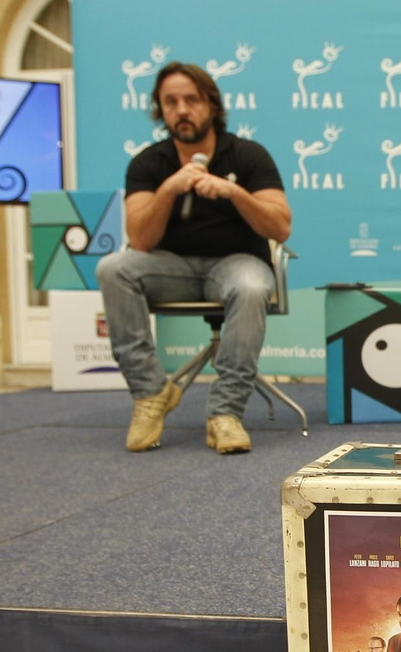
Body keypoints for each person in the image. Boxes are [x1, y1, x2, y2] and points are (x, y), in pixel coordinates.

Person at [96, 61, 292, 455]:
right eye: (171, 102)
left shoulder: (248, 155)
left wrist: (234, 193)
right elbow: (140, 238)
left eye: (191, 100)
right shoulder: (148, 164)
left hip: (237, 263)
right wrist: (168, 189)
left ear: (211, 106)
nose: (181, 110)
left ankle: (225, 414)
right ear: (160, 111)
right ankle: (151, 392)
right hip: (171, 267)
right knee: (112, 268)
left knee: (252, 285)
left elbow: (281, 226)